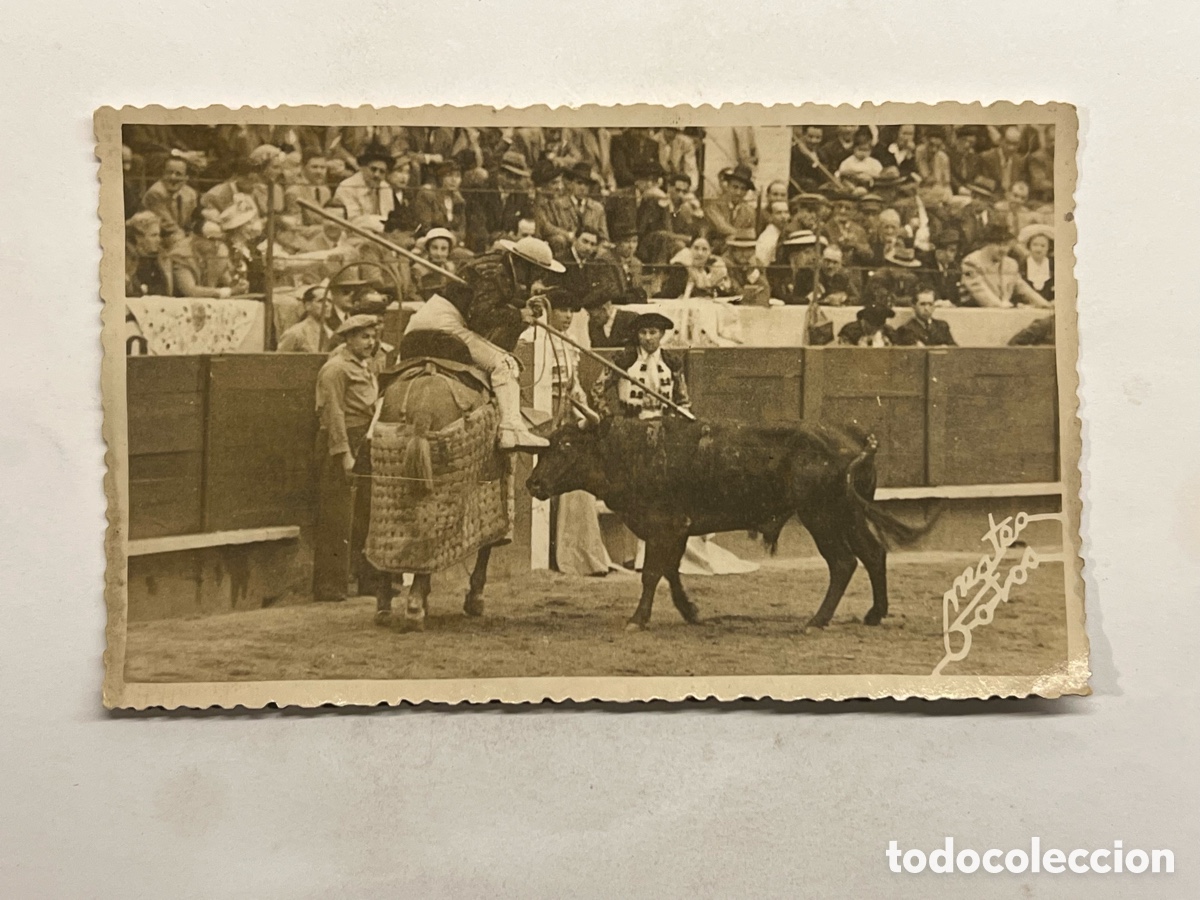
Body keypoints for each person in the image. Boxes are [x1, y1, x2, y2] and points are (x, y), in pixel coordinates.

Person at [403, 235, 566, 449]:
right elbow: (479, 316)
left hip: (423, 320)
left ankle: (373, 430)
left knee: (399, 373)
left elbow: (489, 302)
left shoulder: (495, 265)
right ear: (525, 265)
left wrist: (520, 307)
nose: (539, 277)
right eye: (538, 272)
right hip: (446, 322)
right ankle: (511, 431)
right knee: (505, 364)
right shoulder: (496, 272)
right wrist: (518, 314)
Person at [312, 314, 382, 603]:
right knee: (336, 515)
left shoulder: (365, 365)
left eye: (373, 336)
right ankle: (329, 586)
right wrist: (344, 455)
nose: (371, 342)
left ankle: (369, 582)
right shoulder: (335, 368)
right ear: (349, 338)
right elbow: (334, 414)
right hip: (341, 442)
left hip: (363, 439)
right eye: (364, 337)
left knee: (367, 510)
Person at [590, 312, 690, 420]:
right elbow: (597, 389)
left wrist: (680, 419)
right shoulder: (624, 359)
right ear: (637, 334)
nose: (647, 337)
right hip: (632, 422)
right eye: (643, 332)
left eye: (653, 332)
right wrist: (606, 415)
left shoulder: (671, 361)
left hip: (665, 422)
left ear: (662, 334)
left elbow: (683, 398)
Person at [961, 224, 1051, 308]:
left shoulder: (1010, 264)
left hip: (1002, 313)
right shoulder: (971, 262)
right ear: (987, 244)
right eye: (999, 245)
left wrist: (1045, 304)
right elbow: (980, 292)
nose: (1004, 250)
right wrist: (1002, 307)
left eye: (1007, 245)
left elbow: (1023, 288)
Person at [332, 143, 395, 224]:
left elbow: (389, 217)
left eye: (382, 171)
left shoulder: (385, 188)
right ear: (363, 168)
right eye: (373, 169)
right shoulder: (346, 187)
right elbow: (353, 222)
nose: (377, 175)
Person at [702, 165, 757, 248]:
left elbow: (751, 235)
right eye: (735, 187)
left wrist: (741, 236)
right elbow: (722, 227)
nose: (738, 192)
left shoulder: (750, 212)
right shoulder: (712, 206)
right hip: (713, 250)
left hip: (739, 251)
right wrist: (742, 234)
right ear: (727, 186)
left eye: (743, 189)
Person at [141, 158, 198, 237]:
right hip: (158, 236)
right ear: (163, 174)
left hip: (180, 235)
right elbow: (168, 225)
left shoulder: (190, 193)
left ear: (186, 178)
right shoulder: (155, 193)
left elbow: (191, 222)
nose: (173, 177)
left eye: (178, 174)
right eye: (169, 172)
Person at [661, 236, 731, 299]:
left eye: (704, 249)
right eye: (696, 248)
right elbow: (671, 295)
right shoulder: (681, 268)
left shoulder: (713, 267)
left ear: (710, 252)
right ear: (690, 249)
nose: (700, 253)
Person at [555, 163, 609, 242]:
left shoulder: (597, 208)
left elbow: (604, 238)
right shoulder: (559, 205)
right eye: (579, 183)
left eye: (586, 184)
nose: (582, 188)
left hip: (591, 246)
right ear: (571, 183)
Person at [124, 211, 172, 297]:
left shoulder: (163, 259)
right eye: (153, 235)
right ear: (139, 237)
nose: (159, 240)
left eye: (159, 235)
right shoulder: (126, 261)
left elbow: (168, 292)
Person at [277, 285, 332, 352]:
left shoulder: (331, 332)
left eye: (330, 301)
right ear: (308, 305)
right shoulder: (296, 333)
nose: (327, 304)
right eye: (321, 301)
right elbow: (279, 357)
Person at [412, 227, 459, 299]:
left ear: (448, 251)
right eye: (434, 248)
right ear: (428, 249)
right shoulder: (418, 269)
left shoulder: (450, 268)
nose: (439, 253)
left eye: (443, 249)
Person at [1017, 224, 1055, 302]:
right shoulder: (1021, 265)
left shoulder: (1054, 265)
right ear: (1029, 246)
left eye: (1043, 246)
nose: (1038, 249)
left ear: (1049, 247)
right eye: (1035, 245)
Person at [790, 125, 828, 195]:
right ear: (803, 135)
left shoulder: (822, 154)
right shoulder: (794, 152)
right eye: (810, 137)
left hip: (820, 190)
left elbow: (825, 175)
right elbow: (794, 176)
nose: (813, 141)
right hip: (801, 190)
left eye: (818, 138)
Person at [755, 199, 791, 264]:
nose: (783, 216)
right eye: (778, 213)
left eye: (786, 212)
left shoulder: (784, 231)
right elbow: (761, 262)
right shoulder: (768, 236)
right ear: (771, 216)